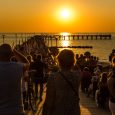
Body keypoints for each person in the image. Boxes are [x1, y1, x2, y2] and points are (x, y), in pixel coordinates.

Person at [42, 49, 81, 115]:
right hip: (74, 111)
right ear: (73, 61)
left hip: (58, 111)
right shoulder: (77, 76)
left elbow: (49, 101)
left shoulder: (53, 77)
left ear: (59, 61)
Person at [0, 44, 29, 115]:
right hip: (17, 110)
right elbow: (27, 63)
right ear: (12, 55)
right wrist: (15, 51)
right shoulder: (18, 67)